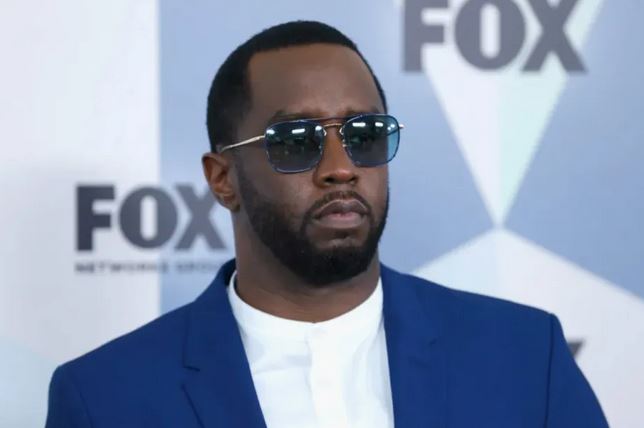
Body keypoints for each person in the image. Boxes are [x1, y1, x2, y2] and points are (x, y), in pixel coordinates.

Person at [45, 20, 608, 428]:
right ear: (222, 179)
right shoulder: (105, 399)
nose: (341, 168)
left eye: (364, 134)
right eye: (297, 141)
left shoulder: (525, 357)